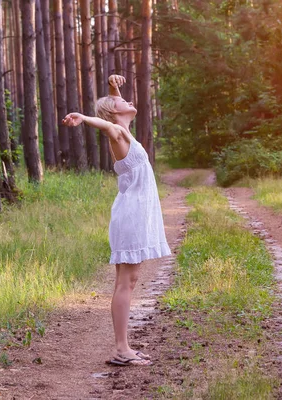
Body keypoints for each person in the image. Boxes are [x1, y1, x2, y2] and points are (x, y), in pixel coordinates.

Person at [63, 75, 171, 367]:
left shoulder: (126, 133)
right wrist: (85, 117)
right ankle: (121, 349)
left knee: (129, 280)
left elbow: (114, 114)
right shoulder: (118, 133)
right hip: (131, 215)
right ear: (114, 112)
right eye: (122, 100)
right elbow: (109, 123)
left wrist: (113, 89)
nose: (128, 99)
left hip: (133, 213)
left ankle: (123, 347)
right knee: (126, 281)